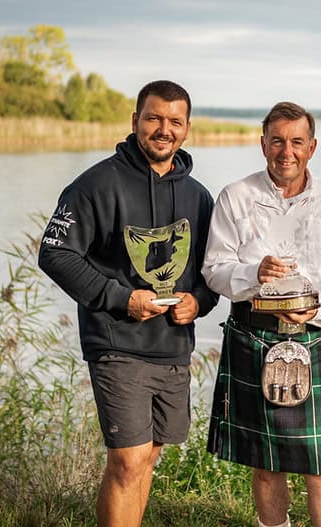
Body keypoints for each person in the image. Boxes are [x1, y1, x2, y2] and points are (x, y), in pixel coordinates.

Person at [38, 80, 219, 527]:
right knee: (129, 458)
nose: (164, 129)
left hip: (173, 345)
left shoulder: (198, 196)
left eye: (175, 121)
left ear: (187, 128)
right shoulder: (97, 183)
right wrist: (122, 299)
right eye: (154, 118)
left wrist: (198, 302)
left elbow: (212, 272)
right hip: (117, 341)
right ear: (135, 120)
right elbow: (54, 253)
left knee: (148, 456)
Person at [203, 101, 321, 527]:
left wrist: (319, 309)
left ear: (312, 146)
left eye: (296, 142)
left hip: (316, 337)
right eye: (277, 141)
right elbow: (214, 270)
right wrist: (253, 274)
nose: (286, 151)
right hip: (253, 337)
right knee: (266, 462)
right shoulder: (236, 197)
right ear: (262, 145)